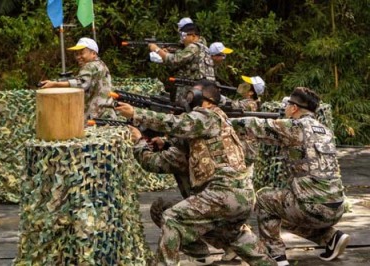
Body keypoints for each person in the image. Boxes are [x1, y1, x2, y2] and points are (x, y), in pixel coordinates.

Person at [116, 81, 276, 266]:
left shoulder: (208, 116)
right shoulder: (218, 121)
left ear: (207, 102)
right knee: (233, 236)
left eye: (193, 96)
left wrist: (137, 116)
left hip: (223, 192)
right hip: (242, 195)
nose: (188, 100)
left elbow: (178, 124)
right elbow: (183, 138)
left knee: (171, 217)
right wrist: (164, 142)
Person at [230, 87, 350, 266]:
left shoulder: (295, 127)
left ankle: (275, 255)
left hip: (312, 207)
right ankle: (331, 238)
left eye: (287, 105)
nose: (284, 108)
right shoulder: (324, 130)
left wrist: (220, 119)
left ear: (294, 108)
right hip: (336, 206)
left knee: (264, 198)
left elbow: (255, 125)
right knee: (282, 211)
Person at [40, 37, 115, 120]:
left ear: (93, 53)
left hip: (97, 116)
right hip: (107, 114)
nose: (78, 57)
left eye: (82, 53)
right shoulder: (101, 64)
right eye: (77, 54)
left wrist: (55, 84)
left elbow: (81, 83)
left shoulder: (89, 66)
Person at [148, 23, 215, 103]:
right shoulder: (204, 48)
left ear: (193, 36)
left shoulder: (193, 47)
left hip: (193, 88)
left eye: (184, 36)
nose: (182, 39)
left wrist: (157, 49)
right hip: (205, 88)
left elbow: (175, 60)